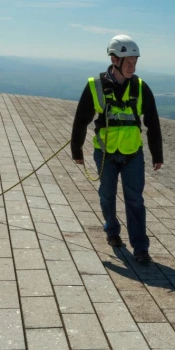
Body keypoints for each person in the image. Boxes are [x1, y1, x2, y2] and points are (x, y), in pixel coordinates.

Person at [71, 34, 163, 264]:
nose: (132, 66)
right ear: (115, 60)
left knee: (135, 200)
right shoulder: (95, 86)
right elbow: (81, 120)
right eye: (128, 62)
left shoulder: (141, 87)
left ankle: (141, 248)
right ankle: (112, 231)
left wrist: (157, 155)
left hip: (133, 153)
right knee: (107, 195)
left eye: (135, 61)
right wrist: (77, 150)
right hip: (106, 153)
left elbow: (153, 123)